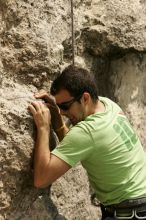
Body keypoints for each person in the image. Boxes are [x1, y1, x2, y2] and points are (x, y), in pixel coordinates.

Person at [29, 65, 146, 219]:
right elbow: (78, 145)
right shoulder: (107, 105)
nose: (62, 112)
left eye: (65, 106)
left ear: (85, 98)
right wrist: (57, 121)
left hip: (129, 213)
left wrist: (43, 128)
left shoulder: (88, 131)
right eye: (58, 107)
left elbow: (41, 179)